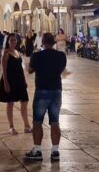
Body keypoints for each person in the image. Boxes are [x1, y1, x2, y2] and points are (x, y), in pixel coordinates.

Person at [25, 33, 67, 161]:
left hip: (42, 91)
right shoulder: (61, 56)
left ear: (42, 42)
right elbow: (61, 69)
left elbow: (30, 70)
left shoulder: (37, 55)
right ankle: (55, 151)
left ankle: (37, 150)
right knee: (55, 121)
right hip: (56, 91)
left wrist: (30, 64)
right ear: (54, 42)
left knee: (37, 122)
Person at [0, 33, 31, 134]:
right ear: (8, 41)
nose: (13, 42)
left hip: (19, 80)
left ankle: (27, 125)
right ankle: (11, 127)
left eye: (15, 40)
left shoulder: (17, 52)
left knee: (24, 102)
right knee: (10, 103)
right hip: (10, 80)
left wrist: (24, 80)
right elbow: (3, 70)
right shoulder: (6, 53)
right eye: (11, 40)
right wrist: (6, 83)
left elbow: (20, 68)